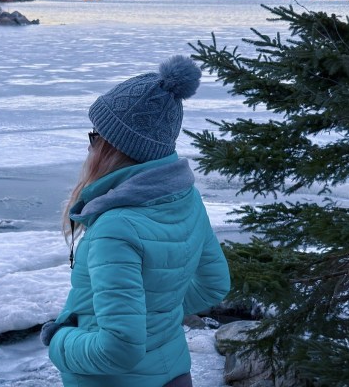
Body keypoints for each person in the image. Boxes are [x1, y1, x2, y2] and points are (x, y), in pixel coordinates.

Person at [42, 55, 232, 387]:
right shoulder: (186, 198)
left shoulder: (115, 228)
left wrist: (59, 341)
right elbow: (214, 284)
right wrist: (157, 310)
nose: (90, 148)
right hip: (174, 373)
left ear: (112, 148)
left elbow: (118, 350)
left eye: (95, 137)